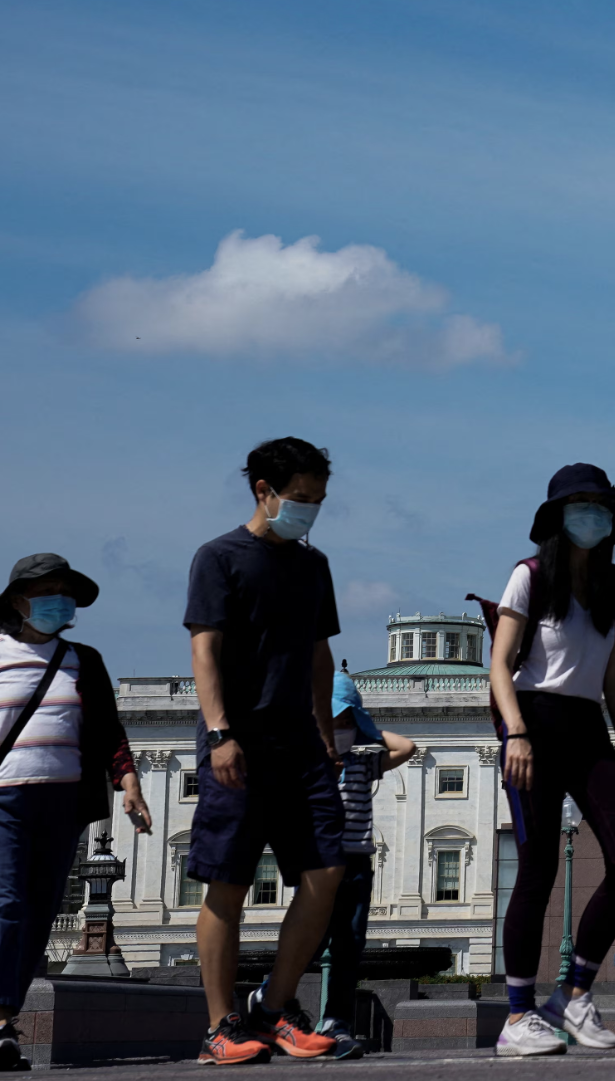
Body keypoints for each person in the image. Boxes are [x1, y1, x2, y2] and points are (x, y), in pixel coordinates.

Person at [185, 438, 349, 1064]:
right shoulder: (218, 557)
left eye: (319, 499)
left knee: (326, 872)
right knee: (227, 883)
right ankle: (219, 1027)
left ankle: (274, 1009)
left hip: (301, 744)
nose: (311, 510)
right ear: (264, 491)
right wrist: (219, 733)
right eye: (302, 498)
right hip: (239, 740)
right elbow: (205, 649)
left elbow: (319, 654)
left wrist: (325, 733)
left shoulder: (314, 565)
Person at [490, 464, 615, 1057]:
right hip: (533, 722)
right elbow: (499, 664)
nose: (593, 515)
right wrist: (517, 734)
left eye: (600, 506)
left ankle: (574, 993)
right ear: (558, 516)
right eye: (581, 504)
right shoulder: (529, 577)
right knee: (537, 871)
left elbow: (614, 676)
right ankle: (517, 1015)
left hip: (586, 728)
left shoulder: (612, 583)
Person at [0, 554, 147, 1073]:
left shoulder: (83, 660)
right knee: (3, 905)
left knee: (37, 915)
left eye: (66, 593)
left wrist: (128, 780)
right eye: (48, 591)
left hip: (64, 804)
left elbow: (107, 729)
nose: (60, 601)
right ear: (17, 602)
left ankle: (1, 1023)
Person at [317, 667, 416, 1058]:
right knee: (308, 941)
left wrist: (366, 731)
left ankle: (335, 1022)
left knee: (350, 945)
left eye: (347, 720)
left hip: (358, 864)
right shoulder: (310, 766)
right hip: (321, 864)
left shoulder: (362, 763)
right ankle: (275, 1000)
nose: (340, 727)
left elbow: (406, 747)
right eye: (334, 719)